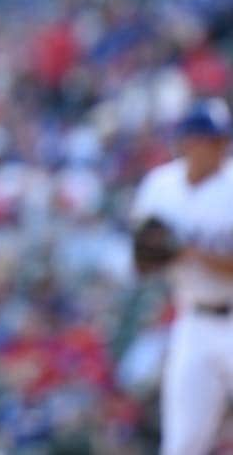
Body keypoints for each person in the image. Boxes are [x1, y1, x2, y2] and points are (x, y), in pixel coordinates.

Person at [131, 97, 233, 455]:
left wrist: (187, 251)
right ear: (188, 142)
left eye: (223, 139)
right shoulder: (160, 187)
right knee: (183, 444)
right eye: (212, 139)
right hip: (193, 322)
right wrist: (156, 251)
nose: (222, 146)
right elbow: (142, 264)